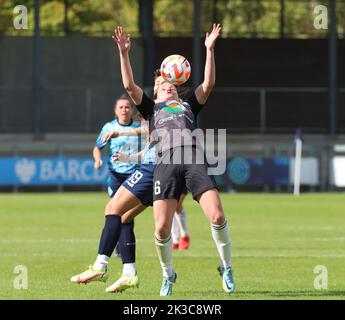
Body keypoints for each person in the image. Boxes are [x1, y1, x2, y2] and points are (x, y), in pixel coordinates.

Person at [113, 23, 234, 296]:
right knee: (161, 227)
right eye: (160, 85)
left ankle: (227, 267)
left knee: (216, 214)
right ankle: (168, 275)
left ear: (177, 87)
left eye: (170, 84)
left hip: (192, 156)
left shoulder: (189, 103)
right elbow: (129, 85)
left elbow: (210, 83)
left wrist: (210, 49)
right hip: (165, 162)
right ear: (155, 94)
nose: (167, 87)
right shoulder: (151, 108)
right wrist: (124, 53)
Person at [71, 95, 144, 292]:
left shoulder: (139, 128)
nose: (124, 110)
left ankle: (110, 261)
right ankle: (122, 261)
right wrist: (98, 160)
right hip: (116, 175)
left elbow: (148, 143)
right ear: (115, 110)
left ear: (131, 110)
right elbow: (97, 147)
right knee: (121, 215)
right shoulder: (108, 127)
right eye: (121, 107)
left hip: (136, 175)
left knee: (123, 216)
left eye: (127, 107)